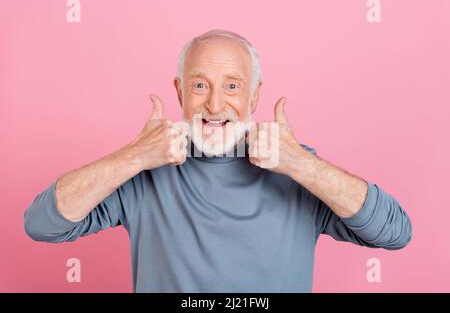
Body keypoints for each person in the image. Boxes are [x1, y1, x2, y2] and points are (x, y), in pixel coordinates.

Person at [24, 29, 412, 292]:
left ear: (254, 97)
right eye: (199, 85)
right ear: (179, 92)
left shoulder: (294, 167)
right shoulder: (144, 171)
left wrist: (302, 165)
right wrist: (134, 156)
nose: (213, 103)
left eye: (231, 86)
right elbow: (42, 225)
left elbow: (394, 232)